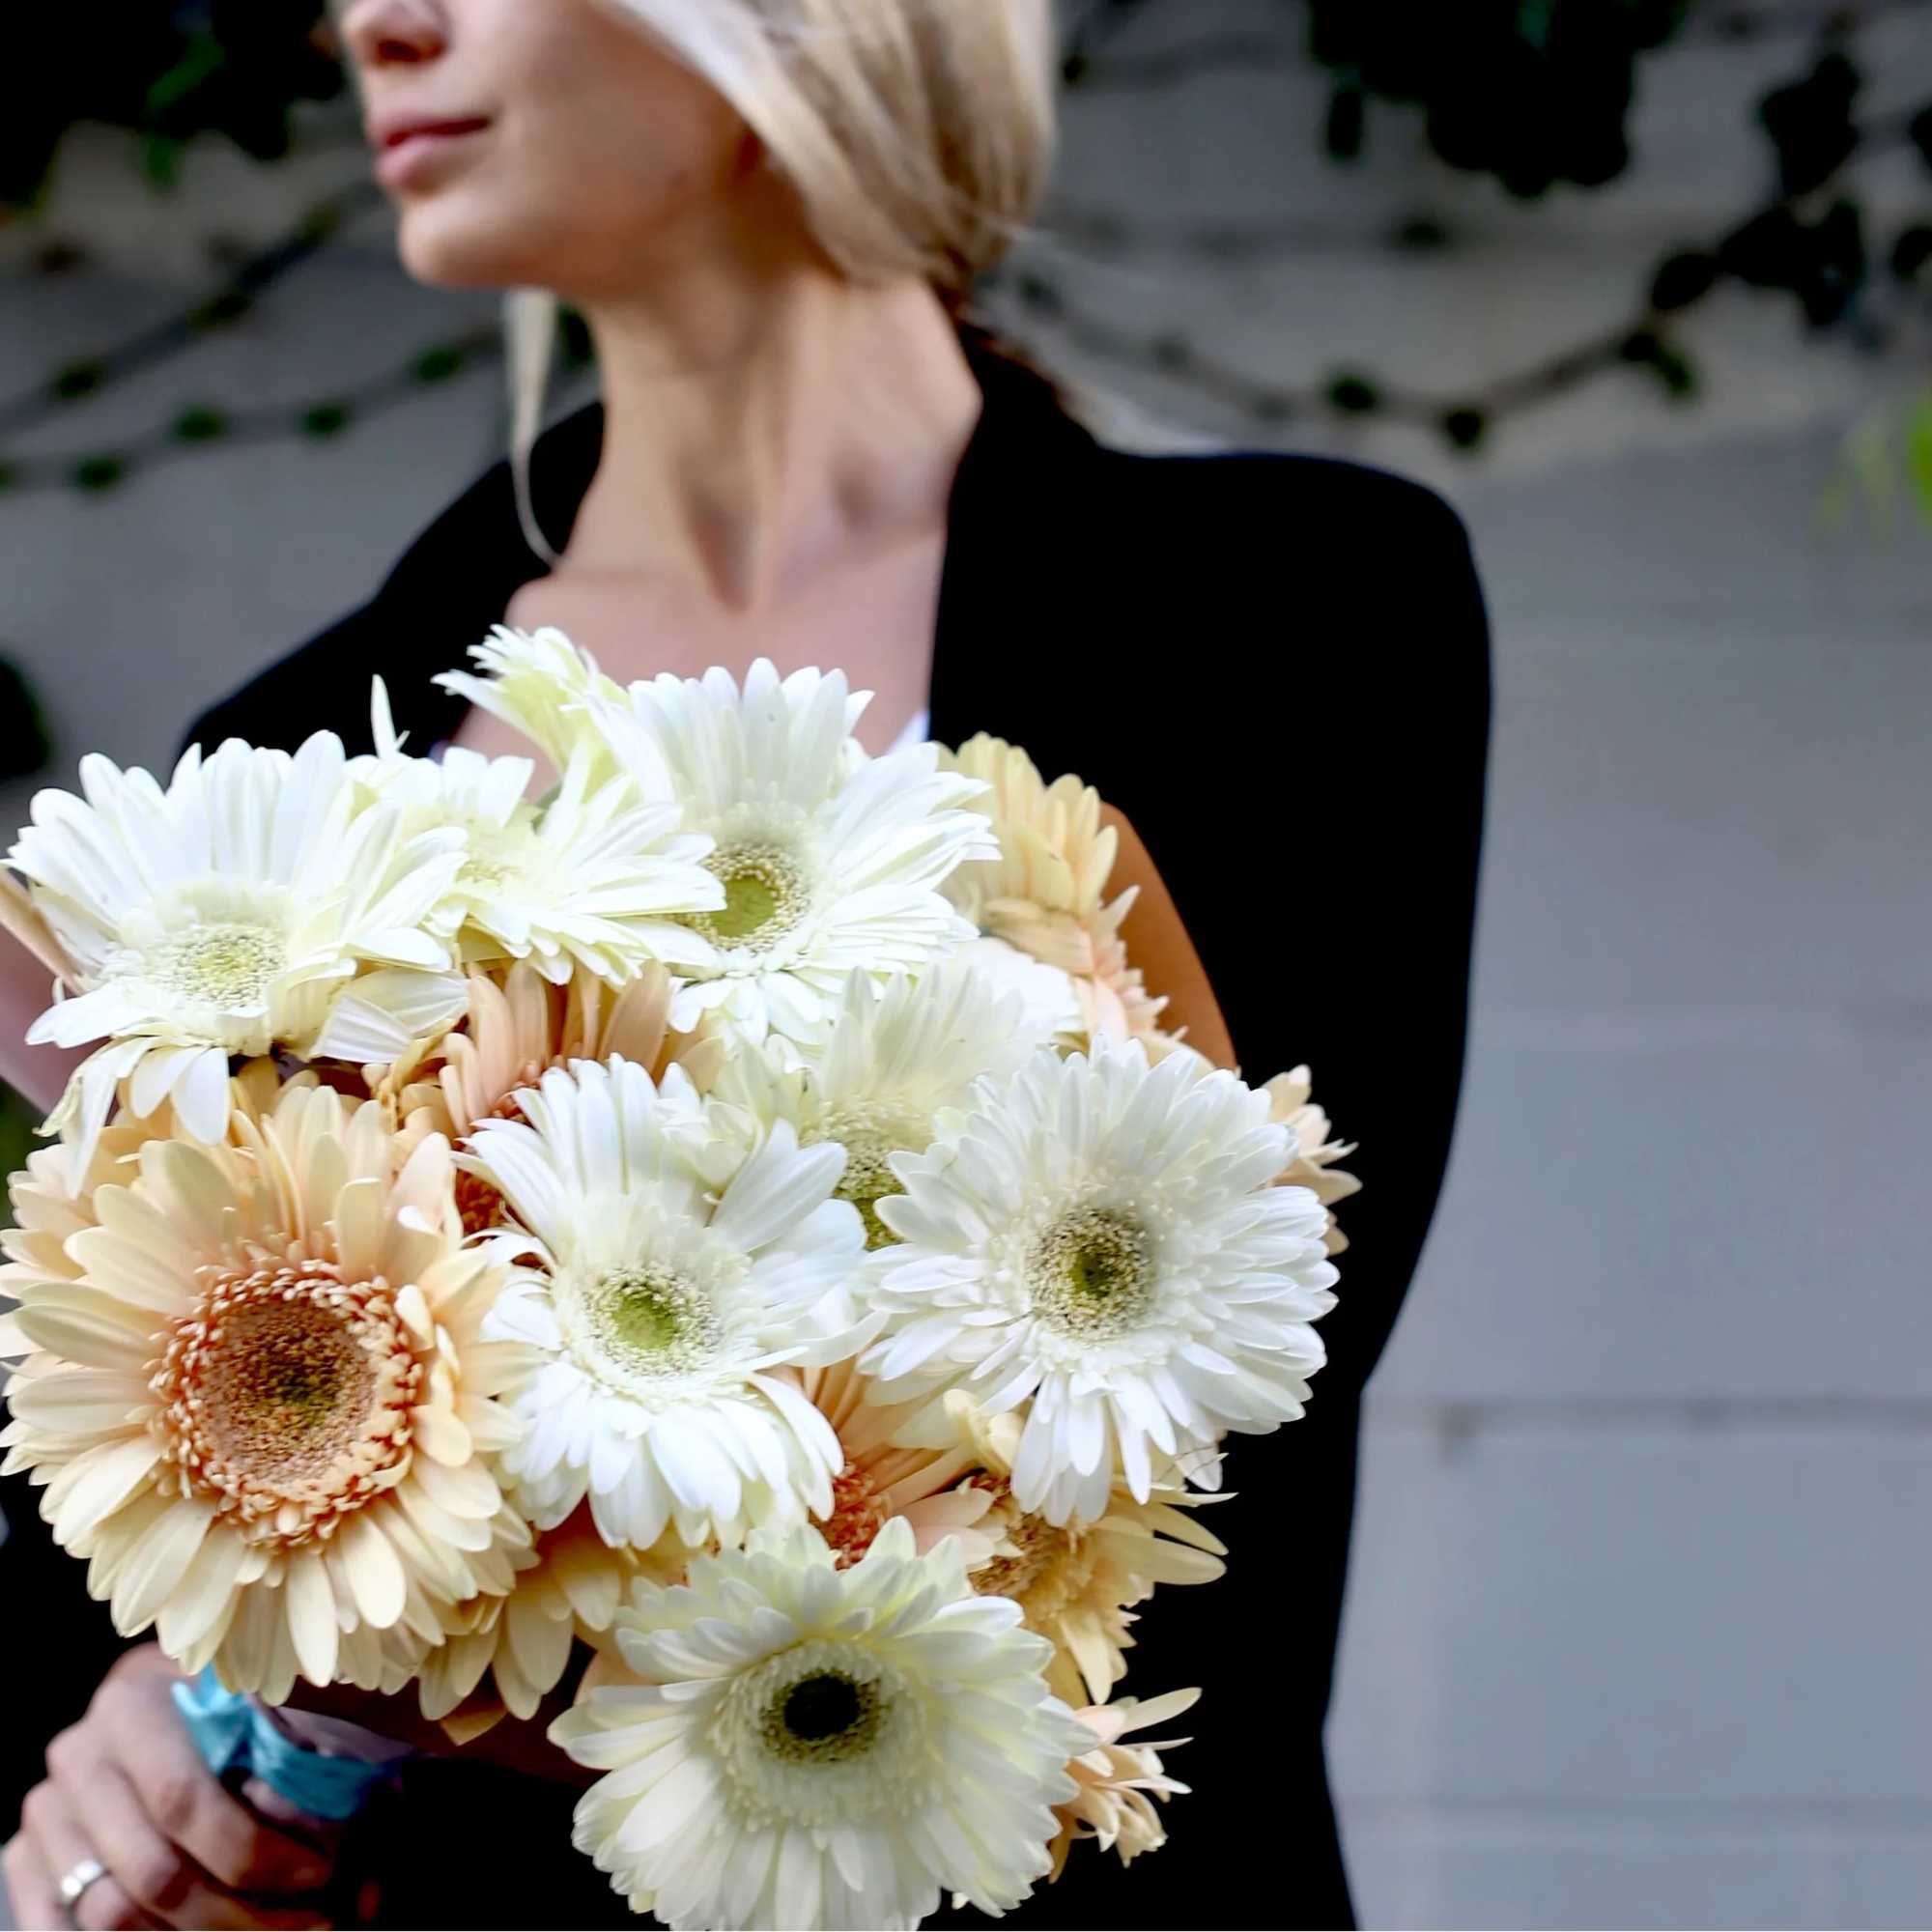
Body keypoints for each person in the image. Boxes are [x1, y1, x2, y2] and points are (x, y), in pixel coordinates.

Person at [0, 1, 1492, 1925]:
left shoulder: (1300, 621)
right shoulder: (280, 776)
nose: (376, 16)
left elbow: (1207, 1437)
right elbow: (88, 1490)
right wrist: (150, 1720)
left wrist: (316, 1656)